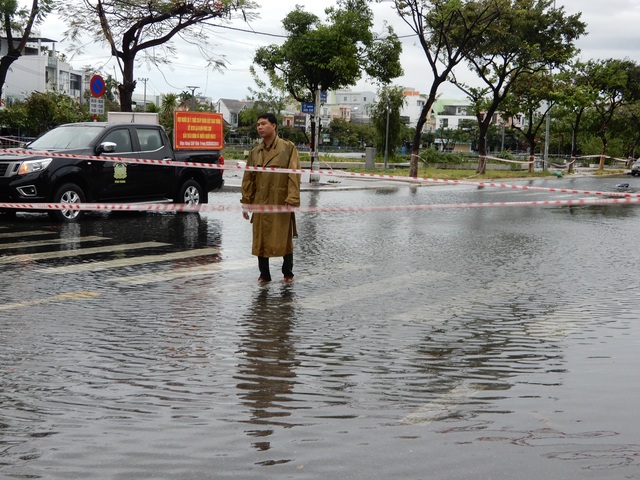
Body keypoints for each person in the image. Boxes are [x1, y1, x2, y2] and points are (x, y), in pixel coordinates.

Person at [241, 113, 301, 283]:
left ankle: (287, 273)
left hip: (280, 200)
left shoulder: (288, 148)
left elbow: (294, 174)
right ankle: (264, 274)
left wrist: (292, 197)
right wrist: (246, 202)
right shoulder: (255, 152)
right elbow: (248, 178)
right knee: (260, 239)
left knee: (284, 238)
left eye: (263, 124)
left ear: (274, 126)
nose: (260, 127)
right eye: (258, 124)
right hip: (260, 202)